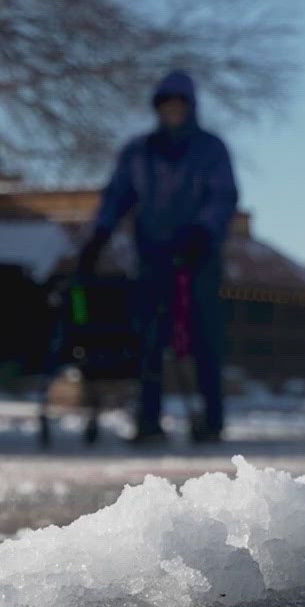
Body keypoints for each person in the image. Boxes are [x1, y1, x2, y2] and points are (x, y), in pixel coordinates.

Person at [76, 70, 239, 446]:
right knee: (148, 340)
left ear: (191, 107)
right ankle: (148, 420)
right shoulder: (140, 151)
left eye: (179, 104)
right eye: (166, 104)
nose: (172, 111)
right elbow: (117, 195)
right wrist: (99, 235)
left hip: (198, 260)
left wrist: (202, 233)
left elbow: (223, 196)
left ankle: (211, 421)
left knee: (202, 340)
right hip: (151, 258)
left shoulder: (210, 149)